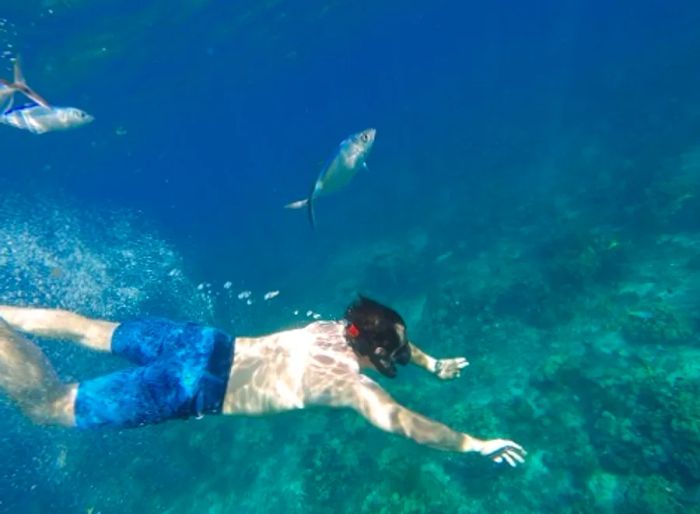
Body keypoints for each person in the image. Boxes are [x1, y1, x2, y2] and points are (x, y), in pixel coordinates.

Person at [0, 296, 525, 466]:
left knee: (91, 331)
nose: (394, 360)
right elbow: (405, 424)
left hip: (204, 343)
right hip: (190, 389)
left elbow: (392, 339)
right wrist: (473, 444)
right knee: (47, 405)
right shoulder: (349, 385)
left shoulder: (332, 327)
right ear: (372, 355)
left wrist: (430, 365)